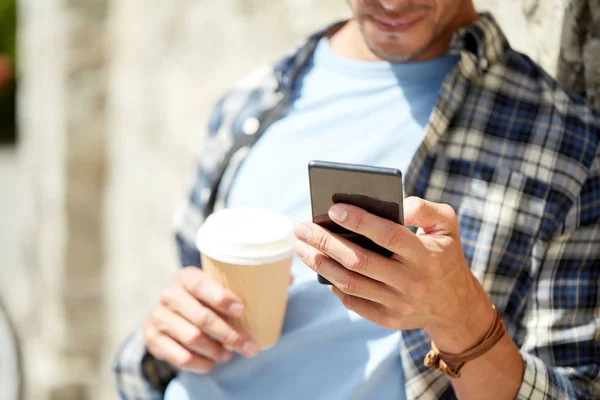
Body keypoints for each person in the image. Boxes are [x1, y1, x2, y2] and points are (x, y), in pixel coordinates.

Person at [113, 1, 600, 399]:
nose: (391, 2)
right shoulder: (249, 102)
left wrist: (460, 318)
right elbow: (178, 313)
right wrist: (166, 336)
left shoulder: (567, 146)